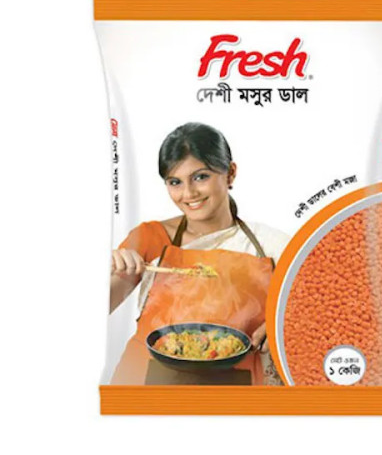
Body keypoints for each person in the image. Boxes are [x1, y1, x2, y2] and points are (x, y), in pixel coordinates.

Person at [110, 122, 289, 385]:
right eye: (175, 182)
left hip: (238, 391)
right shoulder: (150, 237)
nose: (188, 194)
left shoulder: (273, 245)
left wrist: (283, 324)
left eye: (201, 177)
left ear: (230, 174)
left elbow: (318, 312)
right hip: (147, 387)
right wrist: (106, 268)